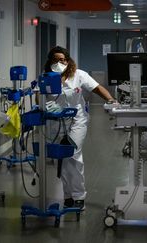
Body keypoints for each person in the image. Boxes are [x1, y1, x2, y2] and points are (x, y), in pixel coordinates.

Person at [43, 46, 116, 210]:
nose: (59, 63)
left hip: (77, 120)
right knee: (59, 159)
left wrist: (111, 99)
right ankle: (67, 195)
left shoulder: (79, 75)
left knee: (73, 155)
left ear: (67, 61)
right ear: (50, 62)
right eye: (55, 60)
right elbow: (39, 97)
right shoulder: (46, 78)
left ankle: (78, 196)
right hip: (55, 121)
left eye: (62, 60)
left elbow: (97, 88)